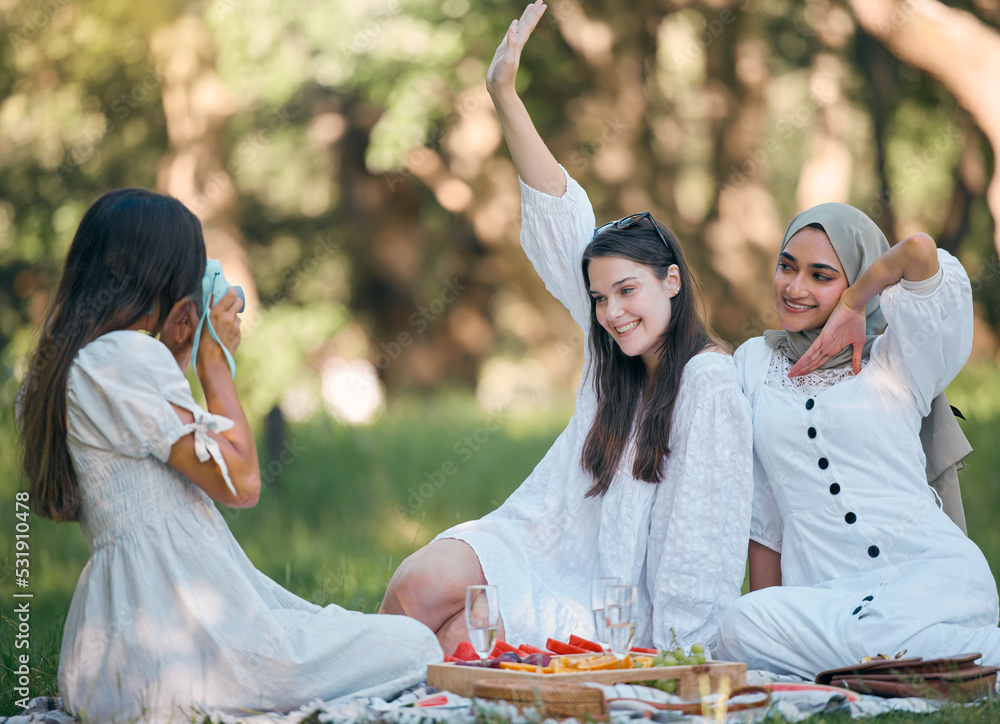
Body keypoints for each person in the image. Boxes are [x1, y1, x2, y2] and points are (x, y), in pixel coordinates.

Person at [380, 0, 754, 656]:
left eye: (628, 291)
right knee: (417, 588)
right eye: (601, 297)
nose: (612, 312)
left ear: (672, 280)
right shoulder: (611, 349)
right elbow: (559, 213)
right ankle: (356, 685)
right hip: (537, 538)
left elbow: (702, 539)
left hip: (608, 599)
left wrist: (673, 657)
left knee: (447, 643)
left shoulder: (708, 383)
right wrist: (503, 95)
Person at [17, 189, 442, 722]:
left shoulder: (72, 366)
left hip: (116, 652)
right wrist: (213, 363)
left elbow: (147, 454)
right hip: (187, 647)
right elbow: (241, 482)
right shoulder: (123, 356)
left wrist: (176, 351)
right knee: (414, 645)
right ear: (162, 277)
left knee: (359, 636)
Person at [715, 202, 1000, 677]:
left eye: (822, 276)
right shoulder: (753, 364)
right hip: (825, 597)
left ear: (857, 279)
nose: (795, 287)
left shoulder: (899, 357)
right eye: (787, 266)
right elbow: (762, 514)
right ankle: (950, 660)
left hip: (930, 576)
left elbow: (920, 251)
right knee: (740, 625)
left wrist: (854, 304)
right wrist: (765, 639)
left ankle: (875, 664)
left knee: (883, 624)